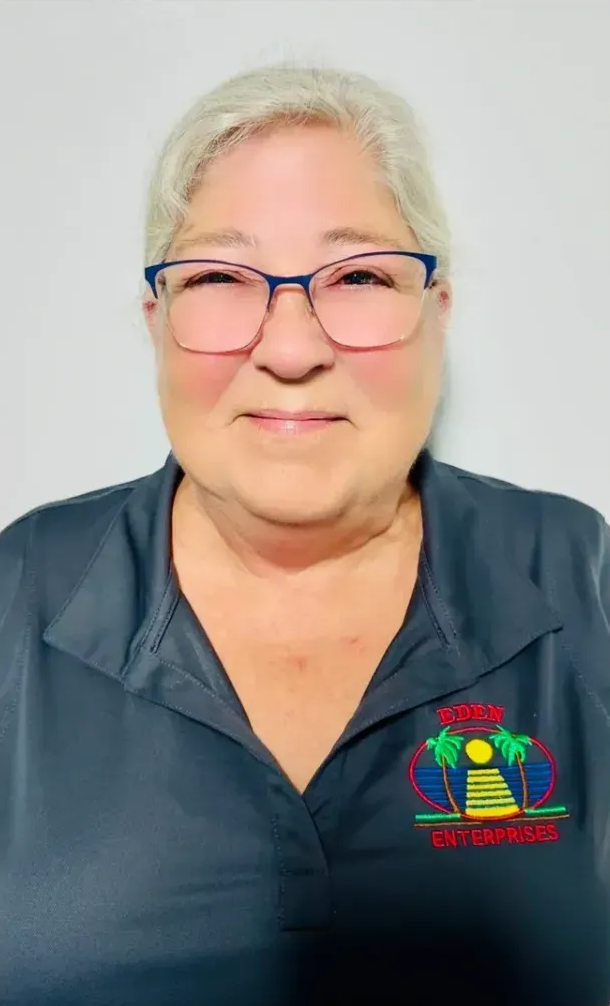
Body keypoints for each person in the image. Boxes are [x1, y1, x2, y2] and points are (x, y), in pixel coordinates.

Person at [0, 62, 608, 1006]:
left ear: (437, 317)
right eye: (218, 276)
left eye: (360, 273)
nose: (291, 350)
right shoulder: (16, 595)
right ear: (155, 321)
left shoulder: (580, 578)